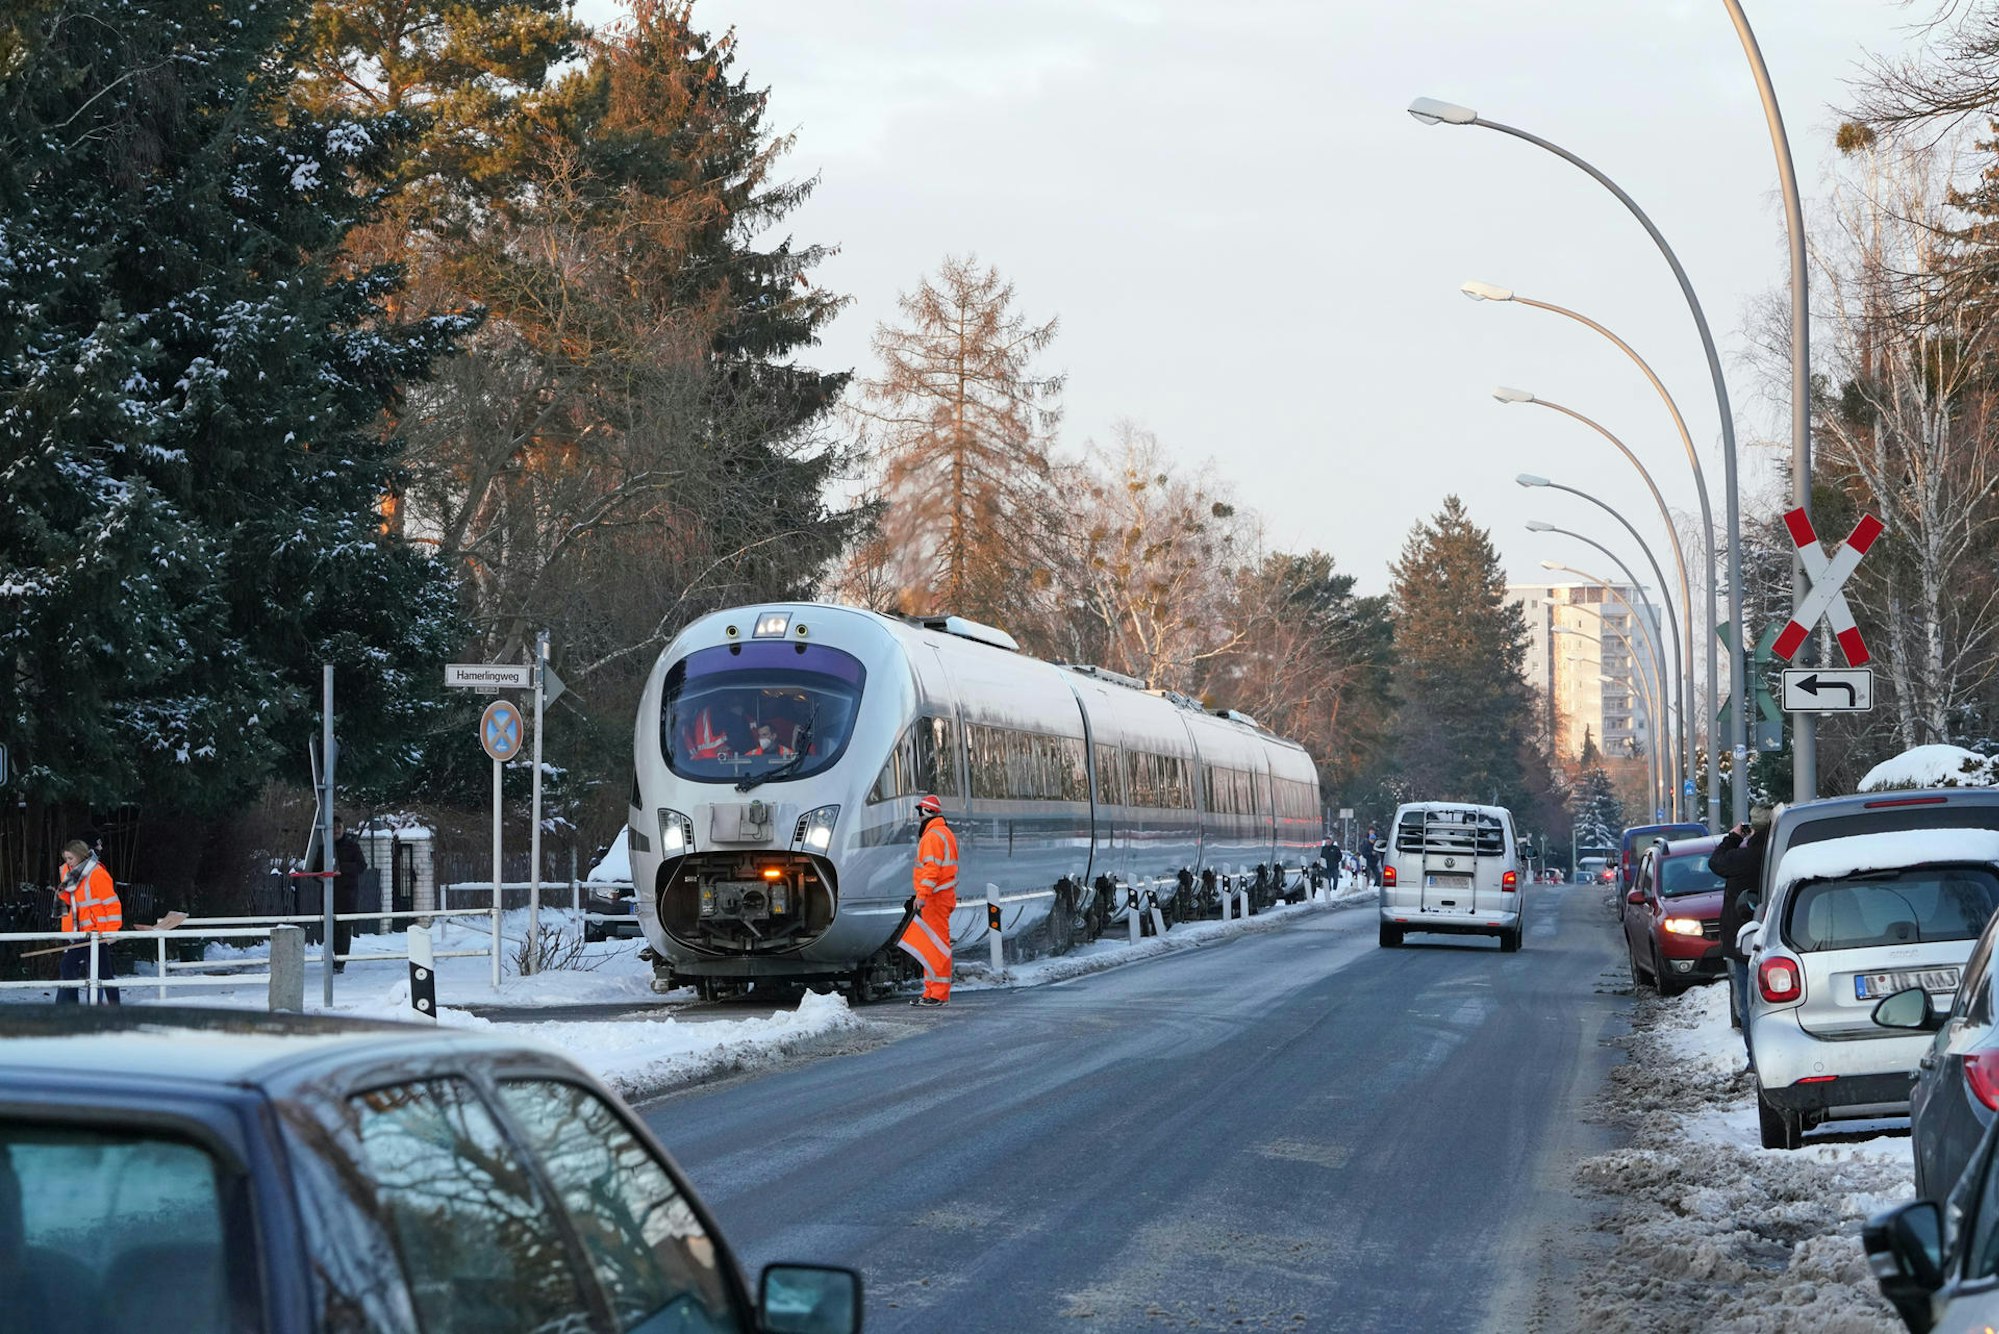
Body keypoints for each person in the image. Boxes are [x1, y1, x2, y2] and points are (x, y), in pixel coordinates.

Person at [1709, 803, 1773, 1058]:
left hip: (1744, 939)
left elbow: (1716, 862)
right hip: (1777, 936)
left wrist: (1734, 837)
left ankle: (1753, 1058)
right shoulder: (1777, 855)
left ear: (1754, 829)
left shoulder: (1746, 858)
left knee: (1748, 1005)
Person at [897, 794, 958, 1007]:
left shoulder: (932, 837)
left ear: (926, 812)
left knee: (937, 947)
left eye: (920, 812)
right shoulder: (944, 833)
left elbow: (931, 871)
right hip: (941, 897)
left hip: (935, 899)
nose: (918, 817)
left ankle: (938, 994)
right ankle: (931, 991)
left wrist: (921, 896)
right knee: (932, 946)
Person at [53, 840, 120, 1005]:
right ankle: (115, 1006)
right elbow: (75, 902)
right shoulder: (73, 875)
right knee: (103, 972)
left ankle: (73, 1006)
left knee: (68, 966)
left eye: (70, 858)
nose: (67, 862)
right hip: (84, 931)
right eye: (66, 859)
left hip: (96, 931)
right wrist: (62, 893)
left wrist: (112, 931)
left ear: (80, 855)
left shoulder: (96, 873)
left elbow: (111, 903)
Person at [331, 817, 366, 974]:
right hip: (328, 896)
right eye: (333, 827)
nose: (336, 830)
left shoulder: (352, 846)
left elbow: (361, 866)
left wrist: (342, 868)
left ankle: (340, 962)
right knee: (329, 930)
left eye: (339, 826)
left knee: (344, 931)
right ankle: (331, 960)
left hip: (347, 896)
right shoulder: (325, 847)